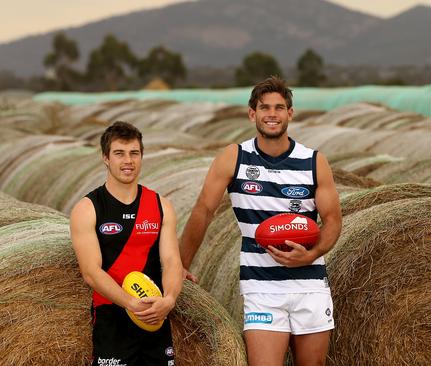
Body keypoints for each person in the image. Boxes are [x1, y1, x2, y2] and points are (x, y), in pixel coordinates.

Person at [180, 76, 342, 366]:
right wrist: (180, 265)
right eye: (264, 107)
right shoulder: (234, 157)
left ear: (290, 114)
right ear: (252, 113)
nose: (272, 114)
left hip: (310, 284)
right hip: (261, 286)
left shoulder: (314, 161)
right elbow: (203, 210)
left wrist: (313, 254)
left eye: (279, 108)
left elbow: (332, 220)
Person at [70, 121, 183, 366]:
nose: (128, 161)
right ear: (105, 158)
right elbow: (91, 272)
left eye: (134, 153)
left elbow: (172, 261)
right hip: (112, 317)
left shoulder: (161, 206)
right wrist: (131, 303)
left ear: (142, 156)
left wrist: (169, 299)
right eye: (119, 153)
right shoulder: (87, 209)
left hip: (155, 317)